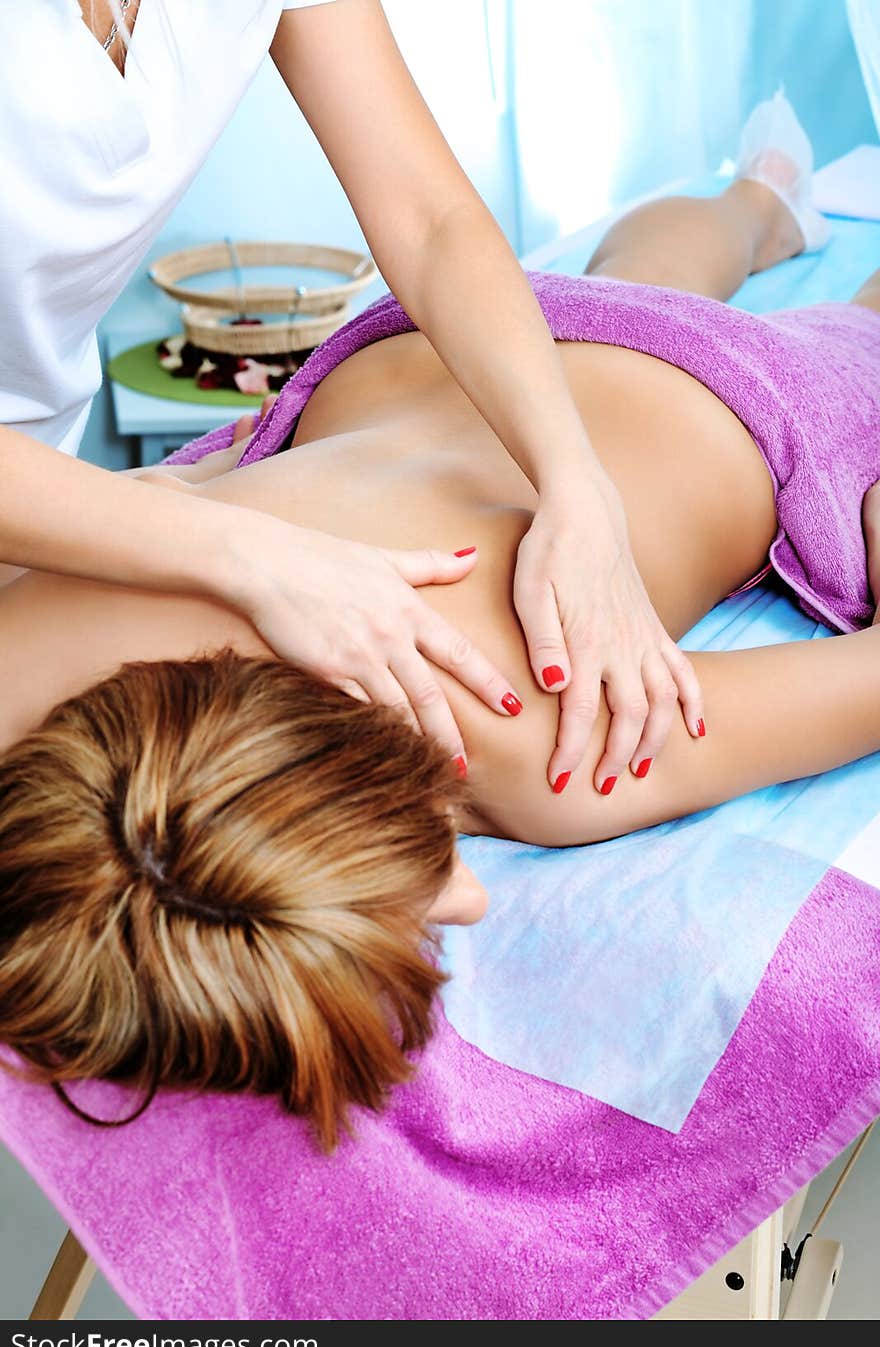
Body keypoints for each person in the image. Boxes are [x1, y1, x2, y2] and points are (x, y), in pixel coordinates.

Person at [2, 116, 879, 1147]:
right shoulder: (28, 655)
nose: (458, 906)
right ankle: (756, 196)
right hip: (436, 348)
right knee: (638, 275)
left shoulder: (542, 725)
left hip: (731, 400)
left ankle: (766, 201)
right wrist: (201, 486)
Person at [0, 0, 704, 784]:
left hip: (49, 493)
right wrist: (241, 548)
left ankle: (759, 200)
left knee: (646, 296)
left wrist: (579, 481)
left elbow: (430, 219)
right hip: (64, 510)